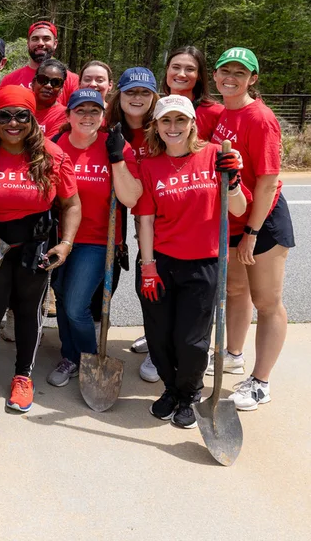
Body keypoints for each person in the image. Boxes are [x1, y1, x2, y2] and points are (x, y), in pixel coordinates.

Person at [134, 95, 248, 429]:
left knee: (192, 338)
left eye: (180, 120)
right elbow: (145, 220)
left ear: (192, 124)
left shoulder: (215, 154)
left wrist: (235, 180)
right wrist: (148, 266)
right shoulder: (150, 165)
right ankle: (170, 389)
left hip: (203, 263)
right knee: (159, 334)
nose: (173, 128)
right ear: (156, 126)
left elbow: (238, 208)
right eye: (166, 121)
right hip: (162, 262)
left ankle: (189, 394)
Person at [0, 85, 80, 413]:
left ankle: (23, 375)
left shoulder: (52, 155)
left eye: (21, 115)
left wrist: (66, 243)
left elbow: (71, 204)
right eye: (5, 115)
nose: (13, 123)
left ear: (33, 119)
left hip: (35, 244)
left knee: (28, 311)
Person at [210, 47, 295, 410]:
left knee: (267, 301)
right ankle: (234, 354)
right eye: (225, 71)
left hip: (262, 222)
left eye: (240, 73)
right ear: (215, 75)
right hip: (234, 217)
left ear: (253, 79)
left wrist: (253, 232)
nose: (230, 78)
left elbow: (268, 180)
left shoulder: (259, 118)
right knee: (236, 290)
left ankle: (261, 381)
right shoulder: (224, 113)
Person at [46, 89, 141, 386]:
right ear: (68, 115)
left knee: (76, 305)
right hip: (61, 236)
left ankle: (89, 359)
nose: (87, 116)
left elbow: (132, 197)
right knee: (61, 298)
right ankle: (69, 356)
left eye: (94, 111)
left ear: (102, 116)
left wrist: (116, 158)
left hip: (100, 239)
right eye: (81, 110)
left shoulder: (115, 145)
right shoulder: (56, 145)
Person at [102, 66, 160, 379]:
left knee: (160, 285)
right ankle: (155, 336)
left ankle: (162, 348)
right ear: (119, 95)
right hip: (136, 218)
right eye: (131, 92)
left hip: (166, 217)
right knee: (144, 284)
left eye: (144, 92)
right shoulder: (110, 129)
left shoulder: (165, 126)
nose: (137, 98)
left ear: (154, 96)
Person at [0, 21, 78, 105]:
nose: (40, 43)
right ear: (28, 44)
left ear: (55, 44)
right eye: (35, 39)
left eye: (46, 39)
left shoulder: (72, 81)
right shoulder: (10, 80)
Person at [162, 45, 223, 141]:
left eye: (190, 69)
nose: (181, 74)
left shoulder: (215, 112)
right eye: (176, 67)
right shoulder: (156, 108)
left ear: (199, 75)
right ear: (167, 70)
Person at [33, 59, 70, 134]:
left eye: (56, 82)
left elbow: (50, 144)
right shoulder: (21, 107)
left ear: (61, 89)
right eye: (43, 79)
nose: (48, 86)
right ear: (33, 83)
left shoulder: (64, 115)